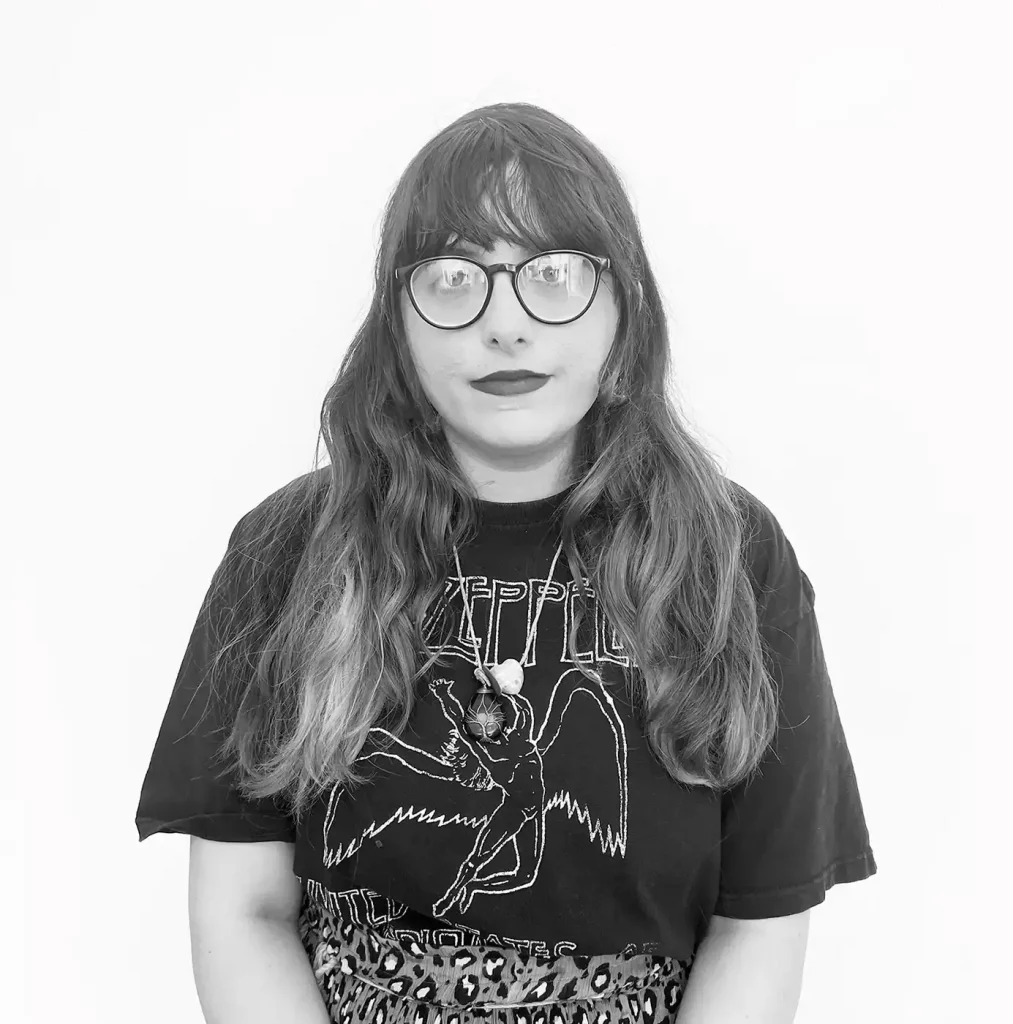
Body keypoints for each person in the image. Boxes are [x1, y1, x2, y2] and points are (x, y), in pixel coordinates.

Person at [136, 102, 877, 1024]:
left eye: (554, 275)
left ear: (625, 309)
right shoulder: (286, 554)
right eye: (455, 277)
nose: (506, 325)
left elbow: (759, 924)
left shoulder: (730, 558)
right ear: (397, 322)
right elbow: (243, 910)